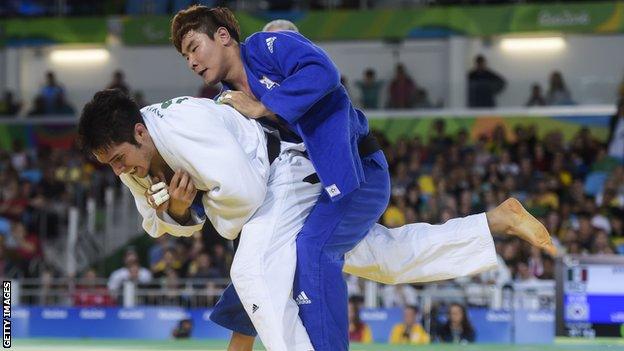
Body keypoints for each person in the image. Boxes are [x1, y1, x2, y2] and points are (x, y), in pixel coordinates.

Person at [170, 6, 556, 351]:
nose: (190, 61)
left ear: (223, 37)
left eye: (193, 48)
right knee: (383, 257)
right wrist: (187, 206)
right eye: (183, 55)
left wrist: (265, 105)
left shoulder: (265, 48)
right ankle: (494, 221)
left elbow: (323, 73)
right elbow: (230, 170)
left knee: (309, 251)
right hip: (307, 191)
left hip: (354, 172)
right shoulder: (226, 102)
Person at [79, 90, 554, 351]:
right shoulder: (135, 158)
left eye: (122, 159)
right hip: (276, 192)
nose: (122, 171)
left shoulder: (184, 124)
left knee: (251, 272)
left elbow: (243, 197)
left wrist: (198, 216)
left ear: (141, 130)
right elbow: (157, 221)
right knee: (381, 258)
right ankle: (493, 222)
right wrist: (181, 214)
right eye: (113, 166)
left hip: (287, 174)